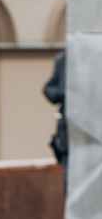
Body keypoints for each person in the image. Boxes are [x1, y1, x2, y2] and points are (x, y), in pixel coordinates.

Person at [45, 51, 68, 182]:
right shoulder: (63, 59)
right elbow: (48, 88)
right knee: (68, 177)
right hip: (67, 134)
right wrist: (63, 93)